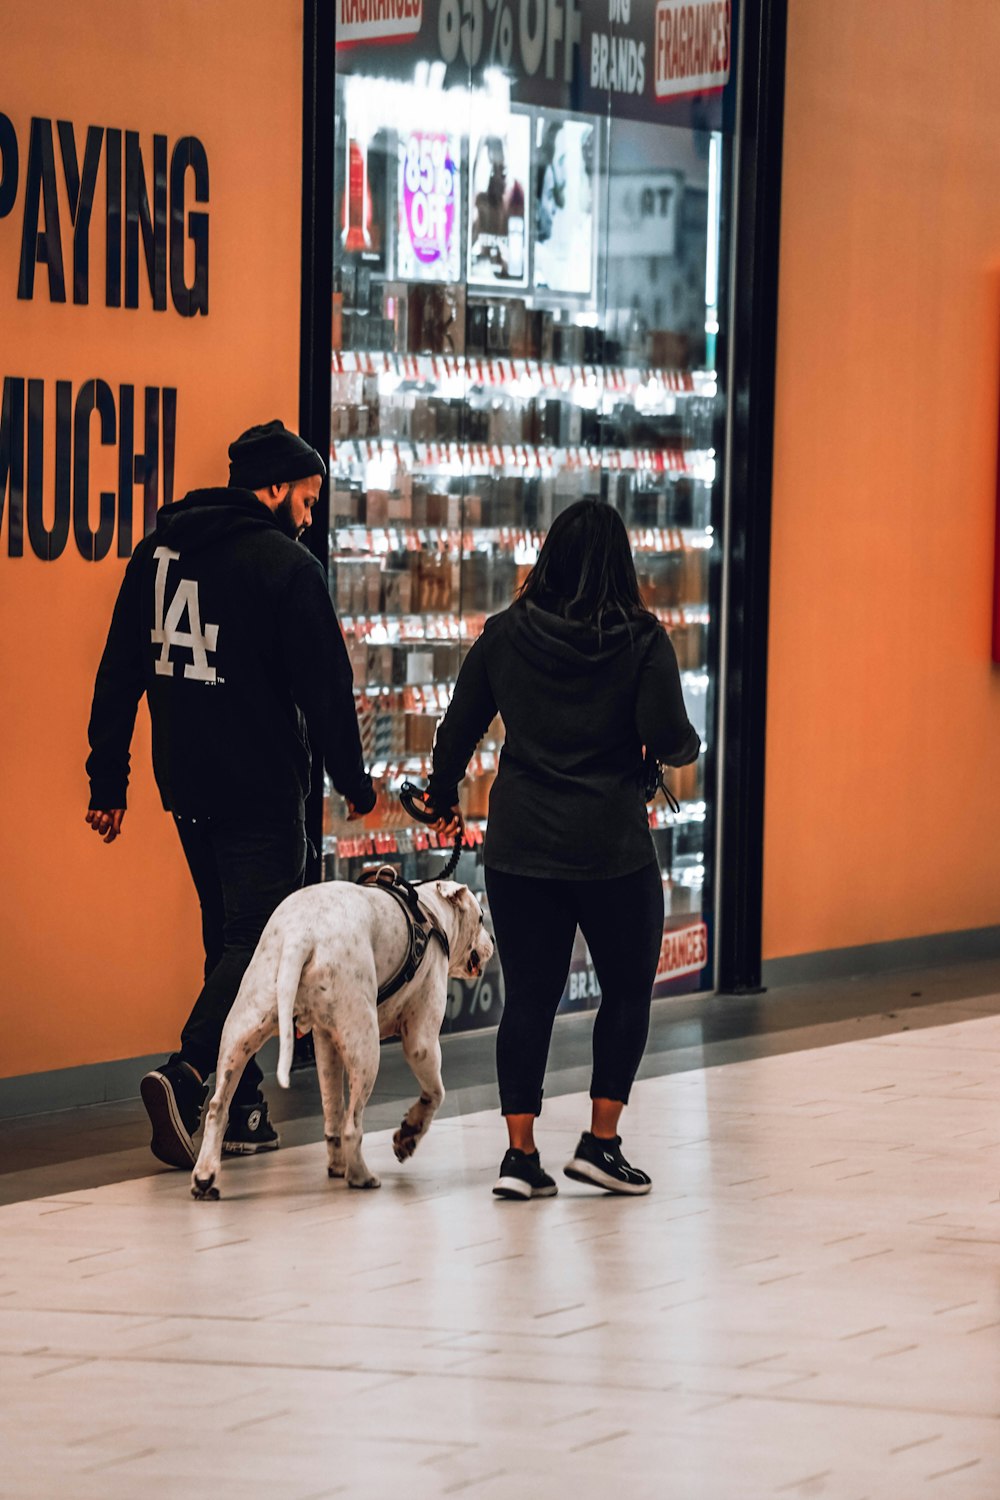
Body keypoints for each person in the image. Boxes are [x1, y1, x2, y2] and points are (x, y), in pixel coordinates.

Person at [85, 420, 375, 1170]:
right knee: (258, 946)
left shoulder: (157, 552)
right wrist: (354, 783)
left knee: (229, 939)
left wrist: (107, 779)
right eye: (306, 498)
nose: (310, 515)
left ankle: (240, 1107)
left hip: (184, 784)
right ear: (274, 488)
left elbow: (120, 671)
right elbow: (329, 693)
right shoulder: (285, 567)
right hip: (258, 788)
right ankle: (184, 1076)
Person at [422, 499, 700, 1199]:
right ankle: (600, 1144)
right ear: (620, 564)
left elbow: (456, 733)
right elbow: (672, 737)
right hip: (611, 846)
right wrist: (671, 745)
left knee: (530, 1001)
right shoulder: (641, 640)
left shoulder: (504, 635)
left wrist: (443, 800)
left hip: (521, 845)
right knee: (628, 990)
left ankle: (520, 1157)